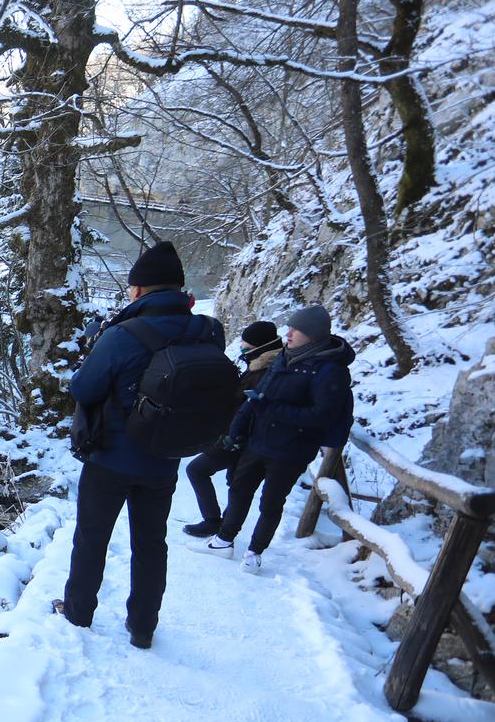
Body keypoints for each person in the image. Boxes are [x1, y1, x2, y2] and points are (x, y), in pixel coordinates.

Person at [55, 241, 225, 649]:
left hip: (111, 455)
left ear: (138, 290)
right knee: (150, 543)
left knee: (92, 537)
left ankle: (78, 612)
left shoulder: (122, 334)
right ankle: (143, 626)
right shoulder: (208, 331)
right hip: (165, 455)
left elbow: (84, 386)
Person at [203, 304, 355, 572]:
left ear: (314, 334)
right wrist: (237, 429)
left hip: (291, 450)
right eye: (290, 327)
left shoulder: (331, 369)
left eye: (297, 329)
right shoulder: (286, 355)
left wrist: (270, 409)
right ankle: (224, 540)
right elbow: (259, 396)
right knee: (239, 490)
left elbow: (322, 416)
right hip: (259, 440)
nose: (289, 332)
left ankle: (254, 553)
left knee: (271, 503)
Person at [181, 320, 283, 537]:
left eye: (246, 344)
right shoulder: (260, 365)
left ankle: (215, 523)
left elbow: (249, 405)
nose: (242, 347)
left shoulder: (267, 370)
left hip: (240, 436)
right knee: (234, 481)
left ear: (258, 346)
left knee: (198, 470)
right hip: (239, 434)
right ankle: (223, 524)